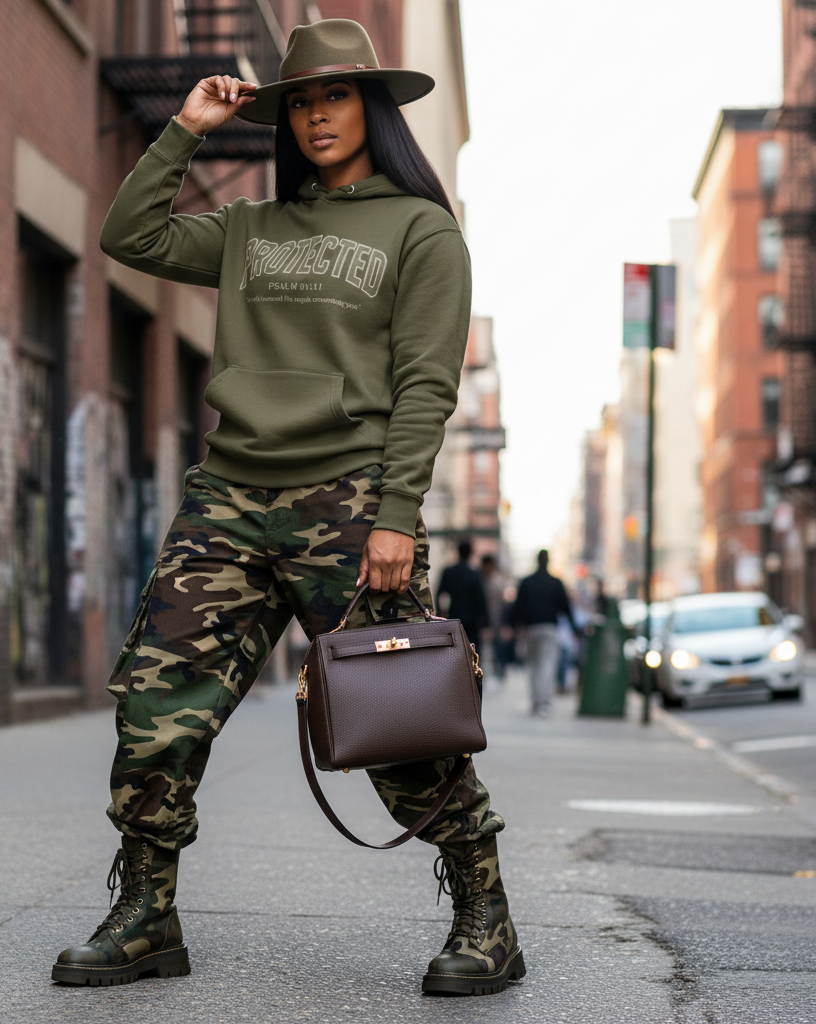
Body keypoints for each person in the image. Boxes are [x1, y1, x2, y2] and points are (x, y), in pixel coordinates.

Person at [51, 19, 523, 998]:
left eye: (336, 97)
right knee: (153, 711)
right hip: (228, 496)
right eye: (301, 100)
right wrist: (182, 128)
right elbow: (128, 233)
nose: (315, 115)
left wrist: (397, 512)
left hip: (351, 504)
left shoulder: (420, 231)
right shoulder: (249, 229)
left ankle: (485, 912)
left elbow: (426, 381)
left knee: (397, 727)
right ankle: (146, 913)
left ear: (373, 110)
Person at [511, 549, 576, 717]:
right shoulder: (556, 582)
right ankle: (544, 701)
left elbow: (518, 607)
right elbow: (565, 607)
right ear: (548, 561)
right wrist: (574, 628)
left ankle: (536, 700)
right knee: (547, 665)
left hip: (531, 629)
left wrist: (514, 626)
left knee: (533, 666)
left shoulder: (526, 582)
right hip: (549, 628)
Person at [436, 540, 488, 664]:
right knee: (473, 656)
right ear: (470, 553)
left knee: (455, 655)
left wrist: (440, 614)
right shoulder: (474, 574)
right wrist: (485, 623)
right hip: (472, 622)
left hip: (454, 618)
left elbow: (439, 594)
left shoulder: (448, 572)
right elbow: (481, 601)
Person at [479, 553, 507, 680]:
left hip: (496, 621)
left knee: (497, 647)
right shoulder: (481, 580)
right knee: (483, 649)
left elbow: (503, 605)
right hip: (484, 622)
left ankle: (499, 670)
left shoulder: (497, 581)